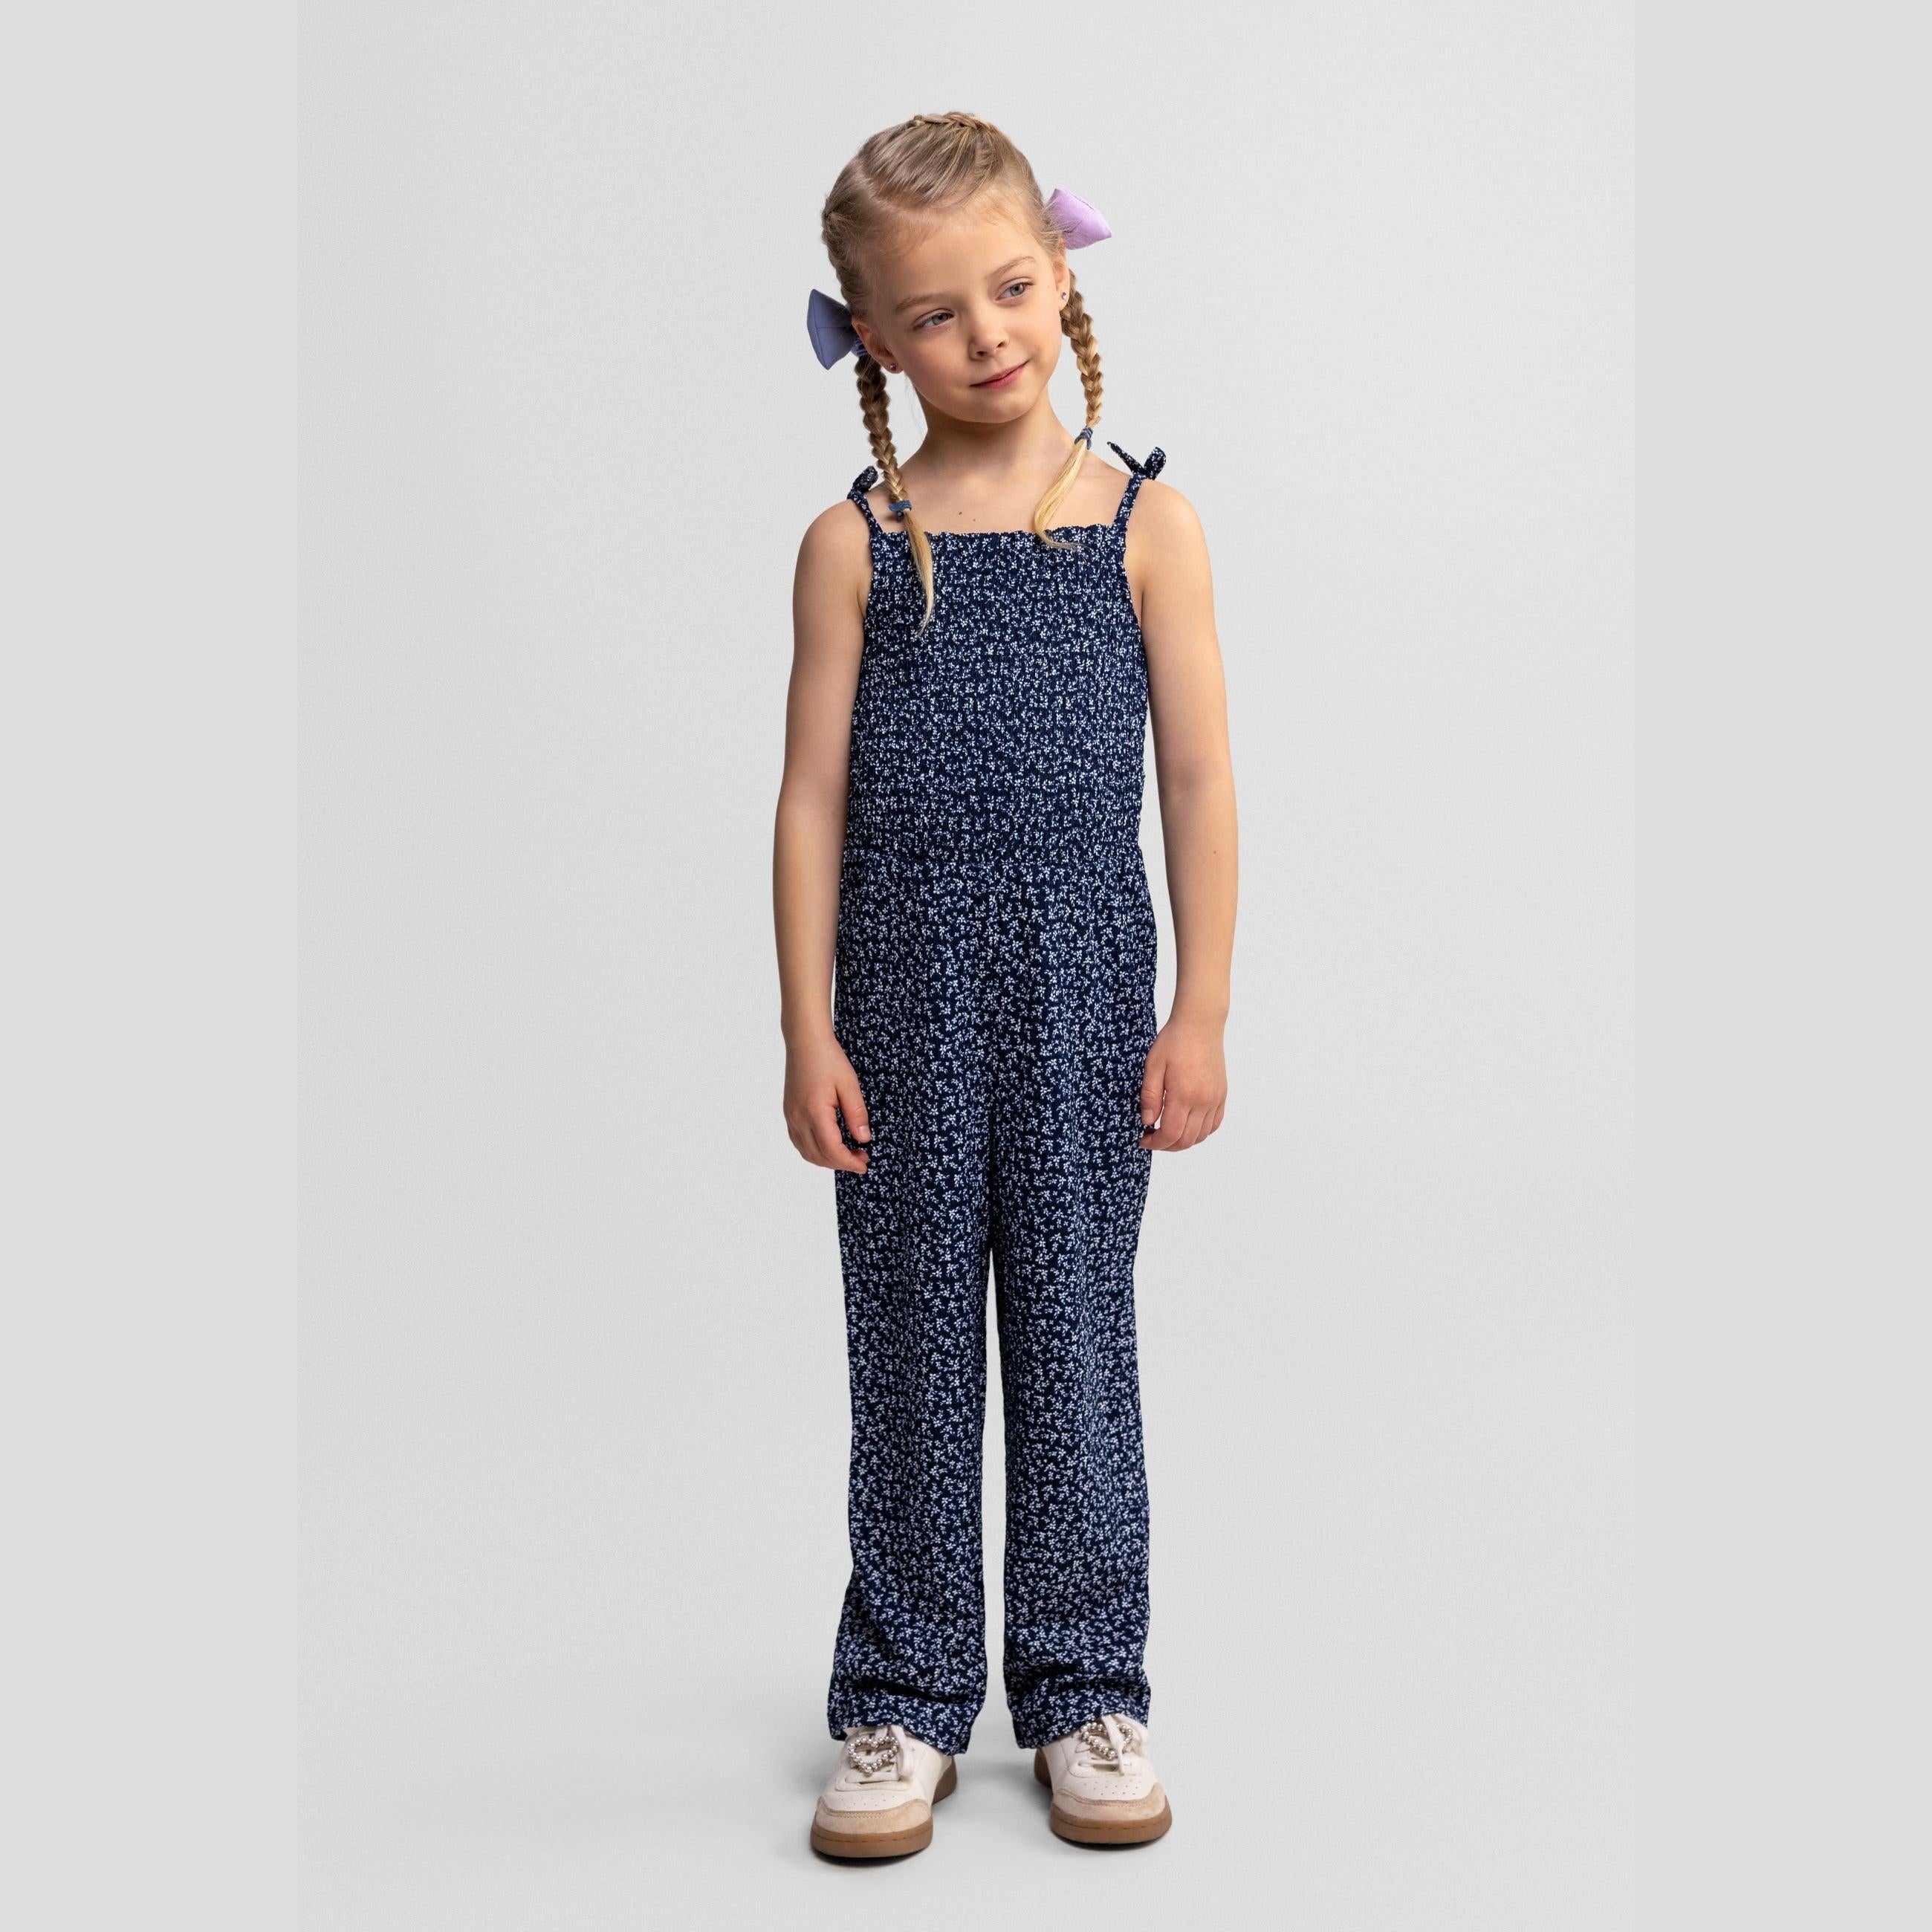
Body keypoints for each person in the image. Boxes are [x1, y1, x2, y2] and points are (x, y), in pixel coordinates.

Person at [774, 111, 1238, 1858]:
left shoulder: (1144, 525)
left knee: (1070, 1330)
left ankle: (1084, 1681)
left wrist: (1196, 1008)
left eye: (1011, 289)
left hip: (1081, 980)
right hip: (896, 985)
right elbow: (809, 795)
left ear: (1062, 274)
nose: (985, 335)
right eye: (935, 312)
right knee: (903, 1344)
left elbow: (1197, 780)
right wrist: (806, 1020)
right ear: (873, 337)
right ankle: (898, 1698)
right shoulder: (853, 546)